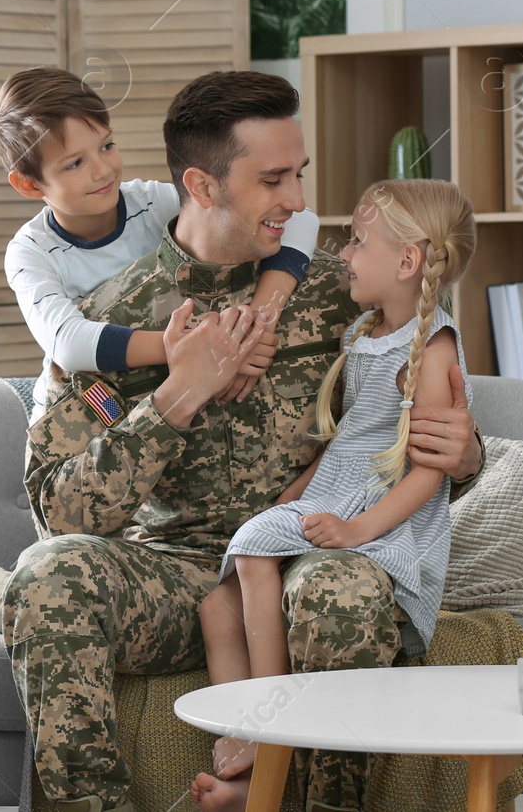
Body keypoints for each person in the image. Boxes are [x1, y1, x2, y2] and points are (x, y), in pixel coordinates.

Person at [6, 70, 485, 812]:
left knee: (342, 594)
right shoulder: (109, 324)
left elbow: (424, 437)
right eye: (272, 179)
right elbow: (58, 511)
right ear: (201, 183)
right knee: (46, 575)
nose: (297, 200)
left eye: (298, 174)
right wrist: (176, 394)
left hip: (305, 554)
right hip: (173, 577)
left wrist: (467, 454)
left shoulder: (348, 295)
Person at [0, 66, 321, 628]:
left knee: (87, 588)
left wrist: (261, 318)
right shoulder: (30, 251)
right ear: (30, 185)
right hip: (85, 397)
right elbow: (70, 343)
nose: (102, 170)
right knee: (76, 561)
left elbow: (299, 221)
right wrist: (196, 355)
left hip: (162, 374)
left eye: (107, 146)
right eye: (74, 163)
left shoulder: (151, 202)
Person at [191, 179, 478, 810]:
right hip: (338, 494)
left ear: (408, 262)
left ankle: (270, 737)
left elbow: (429, 475)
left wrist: (356, 532)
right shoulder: (364, 334)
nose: (343, 254)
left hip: (376, 518)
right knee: (217, 603)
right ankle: (237, 737)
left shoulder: (431, 350)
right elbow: (344, 442)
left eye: (357, 241)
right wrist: (291, 497)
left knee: (253, 554)